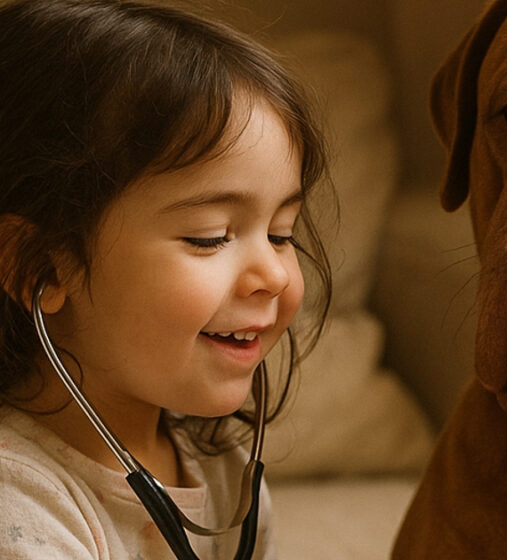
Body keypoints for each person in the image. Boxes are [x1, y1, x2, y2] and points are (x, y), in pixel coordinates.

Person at [0, 0, 332, 557]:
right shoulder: (19, 508)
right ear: (40, 265)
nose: (273, 274)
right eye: (210, 236)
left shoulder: (226, 471)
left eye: (281, 233)